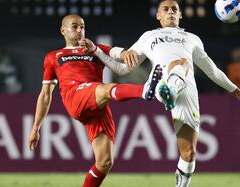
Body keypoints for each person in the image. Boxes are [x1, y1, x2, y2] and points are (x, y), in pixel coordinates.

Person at [110, 0, 240, 187]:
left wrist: (237, 92)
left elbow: (212, 70)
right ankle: (167, 90)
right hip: (160, 80)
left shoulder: (192, 38)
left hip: (187, 92)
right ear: (158, 15)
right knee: (181, 62)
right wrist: (98, 51)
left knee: (189, 152)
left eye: (174, 9)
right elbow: (122, 68)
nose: (170, 12)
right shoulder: (148, 36)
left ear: (180, 15)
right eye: (166, 9)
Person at [27, 14, 161, 187]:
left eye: (82, 27)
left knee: (105, 162)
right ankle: (146, 90)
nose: (79, 30)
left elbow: (115, 53)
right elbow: (46, 94)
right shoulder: (54, 56)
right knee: (105, 88)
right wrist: (35, 127)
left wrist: (126, 53)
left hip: (97, 105)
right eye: (74, 26)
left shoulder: (94, 49)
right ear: (63, 30)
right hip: (76, 97)